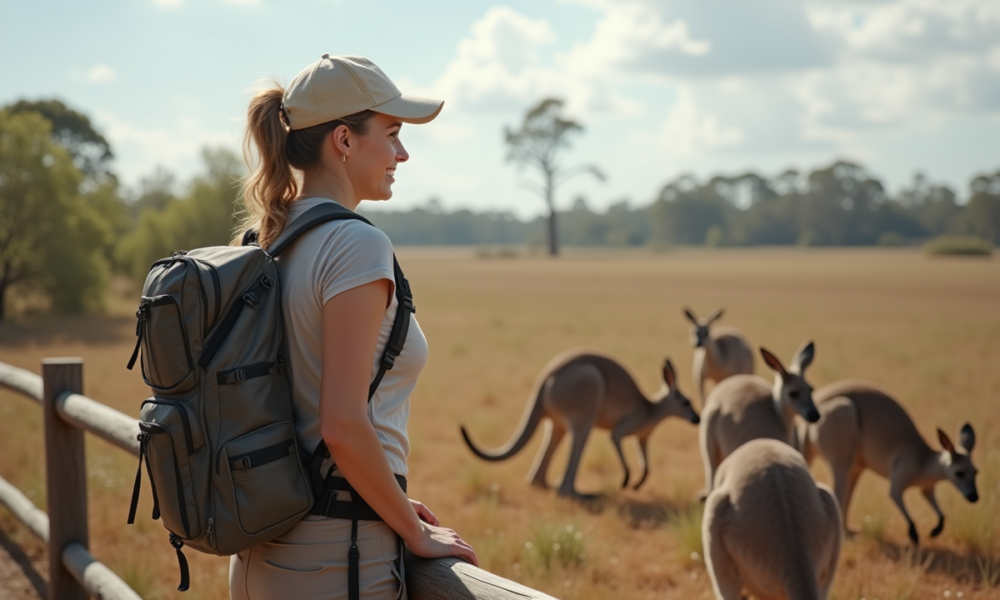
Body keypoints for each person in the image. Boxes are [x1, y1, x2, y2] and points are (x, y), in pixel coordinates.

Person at [229, 54, 477, 600]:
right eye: (391, 134)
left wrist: (382, 493)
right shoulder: (356, 245)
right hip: (336, 558)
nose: (402, 153)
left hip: (261, 553)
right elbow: (340, 423)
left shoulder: (265, 239)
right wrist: (414, 534)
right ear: (343, 139)